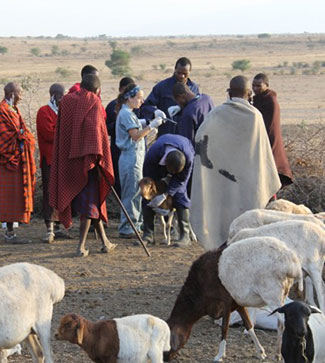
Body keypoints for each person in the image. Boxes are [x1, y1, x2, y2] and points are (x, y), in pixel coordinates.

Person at [191, 76, 281, 251]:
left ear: (229, 93)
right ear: (249, 94)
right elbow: (262, 157)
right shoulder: (255, 117)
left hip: (221, 182)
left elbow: (200, 139)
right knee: (247, 228)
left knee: (222, 227)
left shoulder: (216, 114)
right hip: (247, 184)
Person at [49, 74, 116, 257]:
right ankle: (80, 246)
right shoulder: (94, 101)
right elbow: (96, 133)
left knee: (94, 204)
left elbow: (63, 130)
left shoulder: (67, 101)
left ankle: (105, 242)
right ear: (97, 90)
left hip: (69, 160)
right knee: (90, 205)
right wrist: (99, 160)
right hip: (89, 163)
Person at [115, 83, 163, 238]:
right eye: (139, 98)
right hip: (131, 157)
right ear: (129, 98)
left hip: (134, 157)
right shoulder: (126, 114)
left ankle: (135, 223)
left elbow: (135, 128)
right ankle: (128, 227)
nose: (141, 101)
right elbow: (135, 136)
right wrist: (151, 127)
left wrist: (146, 124)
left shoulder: (129, 112)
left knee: (135, 191)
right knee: (132, 193)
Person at [142, 134, 195, 247]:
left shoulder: (189, 157)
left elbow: (181, 179)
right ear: (166, 164)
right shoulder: (152, 156)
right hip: (158, 161)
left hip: (184, 145)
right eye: (171, 172)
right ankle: (148, 235)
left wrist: (167, 194)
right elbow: (148, 180)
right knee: (148, 195)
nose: (172, 175)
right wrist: (155, 196)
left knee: (180, 194)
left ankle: (184, 236)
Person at [0, 82, 36, 243]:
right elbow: (5, 137)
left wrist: (25, 137)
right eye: (19, 93)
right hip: (6, 161)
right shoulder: (2, 111)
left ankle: (10, 232)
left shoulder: (13, 110)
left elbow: (21, 132)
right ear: (12, 94)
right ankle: (8, 233)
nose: (21, 97)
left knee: (13, 197)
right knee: (5, 197)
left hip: (17, 160)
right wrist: (21, 136)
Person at [36, 83, 71, 243]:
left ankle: (58, 226)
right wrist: (64, 130)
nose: (62, 99)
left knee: (62, 193)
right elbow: (49, 135)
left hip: (63, 160)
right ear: (53, 96)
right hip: (50, 160)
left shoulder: (63, 112)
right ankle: (49, 227)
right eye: (60, 96)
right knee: (50, 193)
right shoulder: (44, 112)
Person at [140, 57, 199, 136]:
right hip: (166, 134)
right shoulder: (162, 87)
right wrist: (155, 112)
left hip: (186, 134)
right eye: (179, 73)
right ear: (175, 69)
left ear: (190, 72)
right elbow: (145, 106)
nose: (182, 76)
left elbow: (197, 108)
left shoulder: (194, 88)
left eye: (185, 74)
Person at [252, 73, 293, 187]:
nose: (255, 89)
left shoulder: (270, 101)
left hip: (269, 142)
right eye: (253, 86)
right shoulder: (258, 100)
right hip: (261, 142)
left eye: (259, 86)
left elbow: (270, 128)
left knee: (271, 176)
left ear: (267, 85)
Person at [105, 77, 134, 197]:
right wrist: (119, 123)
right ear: (120, 89)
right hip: (117, 148)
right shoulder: (112, 106)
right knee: (117, 177)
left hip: (133, 148)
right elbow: (106, 128)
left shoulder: (136, 106)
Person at [173, 82, 214, 146]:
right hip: (214, 144)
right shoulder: (207, 98)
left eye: (178, 101)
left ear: (180, 97)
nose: (178, 103)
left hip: (201, 151)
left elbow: (187, 143)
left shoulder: (188, 114)